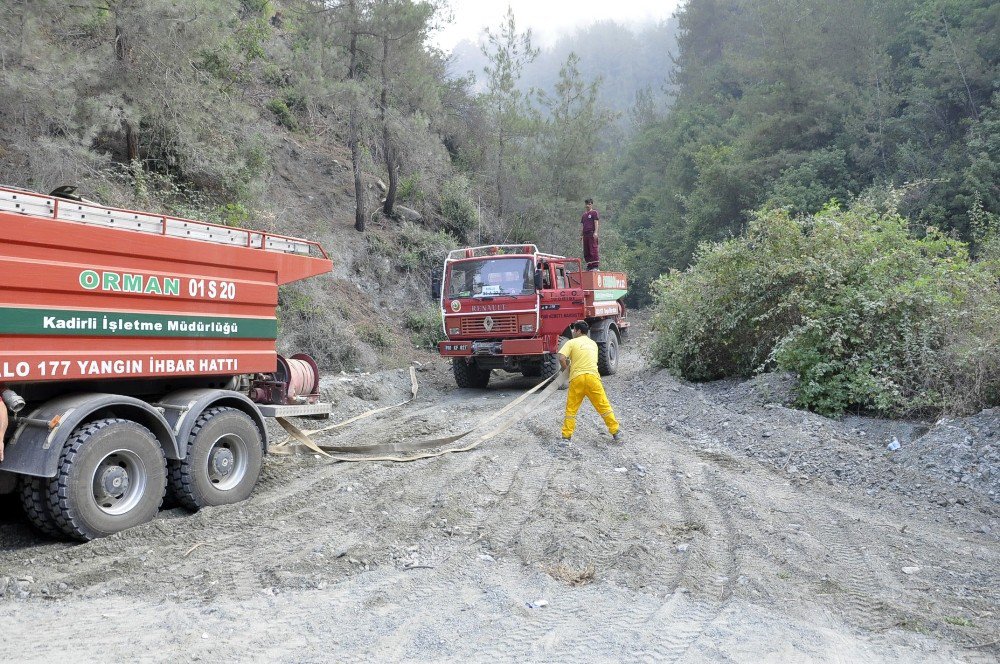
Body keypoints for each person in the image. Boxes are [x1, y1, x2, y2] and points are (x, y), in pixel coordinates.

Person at [557, 320, 620, 444]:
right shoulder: (593, 344)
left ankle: (566, 437)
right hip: (593, 378)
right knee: (603, 406)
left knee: (571, 409)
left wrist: (566, 370)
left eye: (574, 330)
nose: (573, 332)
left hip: (577, 379)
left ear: (579, 331)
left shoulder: (571, 342)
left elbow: (561, 357)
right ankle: (616, 432)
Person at [581, 198, 600, 270]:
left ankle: (595, 265)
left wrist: (595, 232)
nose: (587, 205)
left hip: (591, 233)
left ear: (592, 204)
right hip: (585, 234)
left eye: (589, 204)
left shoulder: (594, 213)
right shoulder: (584, 215)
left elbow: (596, 222)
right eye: (586, 204)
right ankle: (589, 265)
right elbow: (583, 226)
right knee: (586, 250)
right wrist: (581, 235)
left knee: (593, 248)